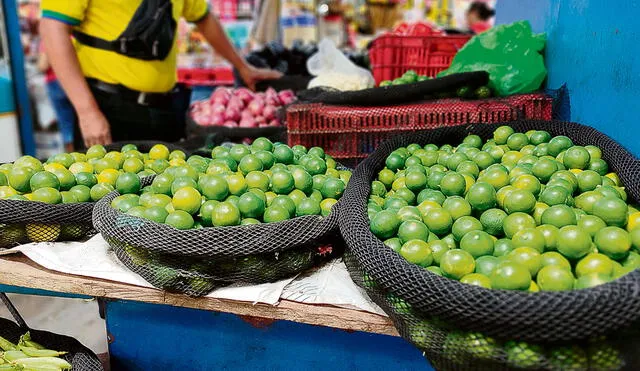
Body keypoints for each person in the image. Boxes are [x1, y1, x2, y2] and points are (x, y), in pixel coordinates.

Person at [39, 0, 282, 148]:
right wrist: (87, 111)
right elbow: (53, 28)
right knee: (109, 204)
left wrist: (243, 67)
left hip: (165, 110)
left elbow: (204, 18)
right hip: (107, 109)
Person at [38, 42, 75, 152]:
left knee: (65, 121)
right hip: (74, 82)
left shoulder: (50, 38)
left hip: (55, 83)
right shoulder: (73, 36)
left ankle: (72, 155)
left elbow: (43, 65)